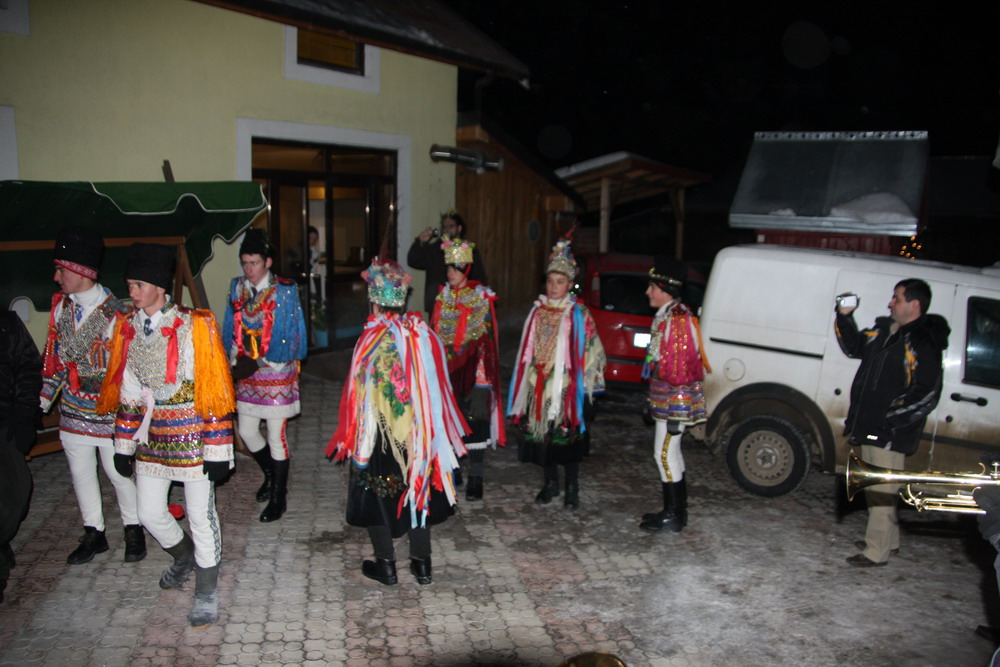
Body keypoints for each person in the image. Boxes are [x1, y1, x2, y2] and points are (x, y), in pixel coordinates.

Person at [98, 243, 236, 626]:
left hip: (193, 434)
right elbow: (129, 392)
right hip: (153, 435)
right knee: (148, 512)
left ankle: (206, 589)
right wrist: (124, 445)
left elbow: (214, 391)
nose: (133, 291)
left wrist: (217, 449)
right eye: (130, 284)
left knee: (200, 514)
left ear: (160, 287)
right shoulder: (127, 328)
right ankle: (183, 556)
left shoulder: (195, 325)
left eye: (139, 284)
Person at [326, 258, 468, 586]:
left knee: (376, 491)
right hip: (418, 433)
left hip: (381, 434)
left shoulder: (371, 339)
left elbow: (361, 396)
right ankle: (422, 564)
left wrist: (359, 444)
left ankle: (386, 564)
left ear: (374, 303)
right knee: (417, 486)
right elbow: (436, 387)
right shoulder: (421, 333)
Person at [38, 226, 144, 565]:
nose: (56, 277)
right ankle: (94, 533)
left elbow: (131, 370)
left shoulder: (118, 313)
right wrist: (41, 401)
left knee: (118, 473)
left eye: (62, 270)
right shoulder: (61, 309)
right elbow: (54, 359)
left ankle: (134, 529)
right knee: (81, 473)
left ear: (81, 271)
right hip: (72, 409)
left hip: (109, 411)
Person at [836, 278, 950, 567]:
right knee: (877, 488)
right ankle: (890, 540)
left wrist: (891, 419)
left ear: (915, 304)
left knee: (882, 490)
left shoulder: (922, 341)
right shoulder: (884, 330)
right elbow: (853, 346)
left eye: (896, 298)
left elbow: (927, 392)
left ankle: (876, 552)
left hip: (889, 432)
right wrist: (844, 316)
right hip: (868, 425)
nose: (890, 303)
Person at [507, 234, 606, 509]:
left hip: (565, 385)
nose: (553, 287)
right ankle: (550, 483)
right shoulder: (538, 311)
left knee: (566, 438)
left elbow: (592, 348)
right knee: (543, 438)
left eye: (560, 282)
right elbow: (528, 348)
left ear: (570, 284)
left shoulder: (578, 313)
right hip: (538, 381)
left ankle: (572, 486)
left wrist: (588, 386)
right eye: (550, 281)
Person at [222, 229, 307, 523]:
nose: (249, 269)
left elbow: (292, 337)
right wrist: (233, 360)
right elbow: (231, 327)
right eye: (245, 263)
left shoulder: (284, 290)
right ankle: (271, 474)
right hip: (247, 371)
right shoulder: (237, 288)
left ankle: (278, 498)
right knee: (246, 432)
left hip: (275, 371)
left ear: (268, 262)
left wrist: (259, 361)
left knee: (275, 436)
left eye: (254, 263)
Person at [638, 258, 711, 534]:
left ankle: (674, 514)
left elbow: (682, 370)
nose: (647, 292)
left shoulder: (677, 319)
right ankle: (676, 511)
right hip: (666, 399)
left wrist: (676, 412)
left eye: (652, 287)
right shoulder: (668, 315)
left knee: (664, 454)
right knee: (671, 453)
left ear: (665, 290)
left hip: (674, 402)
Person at [430, 238, 505, 501]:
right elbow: (436, 335)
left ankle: (476, 476)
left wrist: (482, 382)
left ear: (467, 269)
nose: (450, 272)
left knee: (475, 421)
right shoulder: (442, 297)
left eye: (455, 268)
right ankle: (454, 469)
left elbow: (486, 343)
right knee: (451, 420)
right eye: (448, 267)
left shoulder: (480, 298)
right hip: (448, 372)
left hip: (474, 373)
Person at [0, 310, 42, 604]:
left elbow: (28, 368)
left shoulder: (7, 323)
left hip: (5, 419)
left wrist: (25, 414)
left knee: (17, 494)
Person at [407, 210, 488, 315]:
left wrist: (481, 298)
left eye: (451, 226)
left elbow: (479, 275)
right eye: (444, 227)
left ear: (459, 228)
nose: (447, 230)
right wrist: (420, 241)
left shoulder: (468, 249)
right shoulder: (434, 249)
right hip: (437, 303)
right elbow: (413, 261)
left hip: (462, 304)